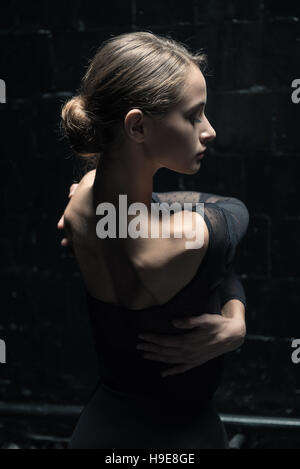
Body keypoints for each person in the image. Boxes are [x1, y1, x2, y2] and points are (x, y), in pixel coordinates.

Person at [57, 31, 249, 449]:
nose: (209, 130)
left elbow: (215, 260)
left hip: (101, 429)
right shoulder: (187, 237)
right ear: (138, 126)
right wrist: (236, 323)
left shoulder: (83, 198)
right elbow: (233, 212)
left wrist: (235, 321)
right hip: (182, 439)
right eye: (194, 115)